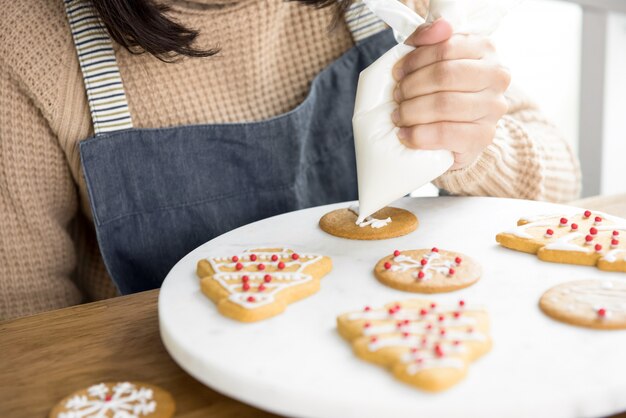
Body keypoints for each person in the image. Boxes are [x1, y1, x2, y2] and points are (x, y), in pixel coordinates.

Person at [0, 0, 580, 319]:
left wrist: (469, 148)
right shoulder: (27, 36)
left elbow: (560, 183)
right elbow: (24, 324)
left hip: (376, 344)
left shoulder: (392, 8)